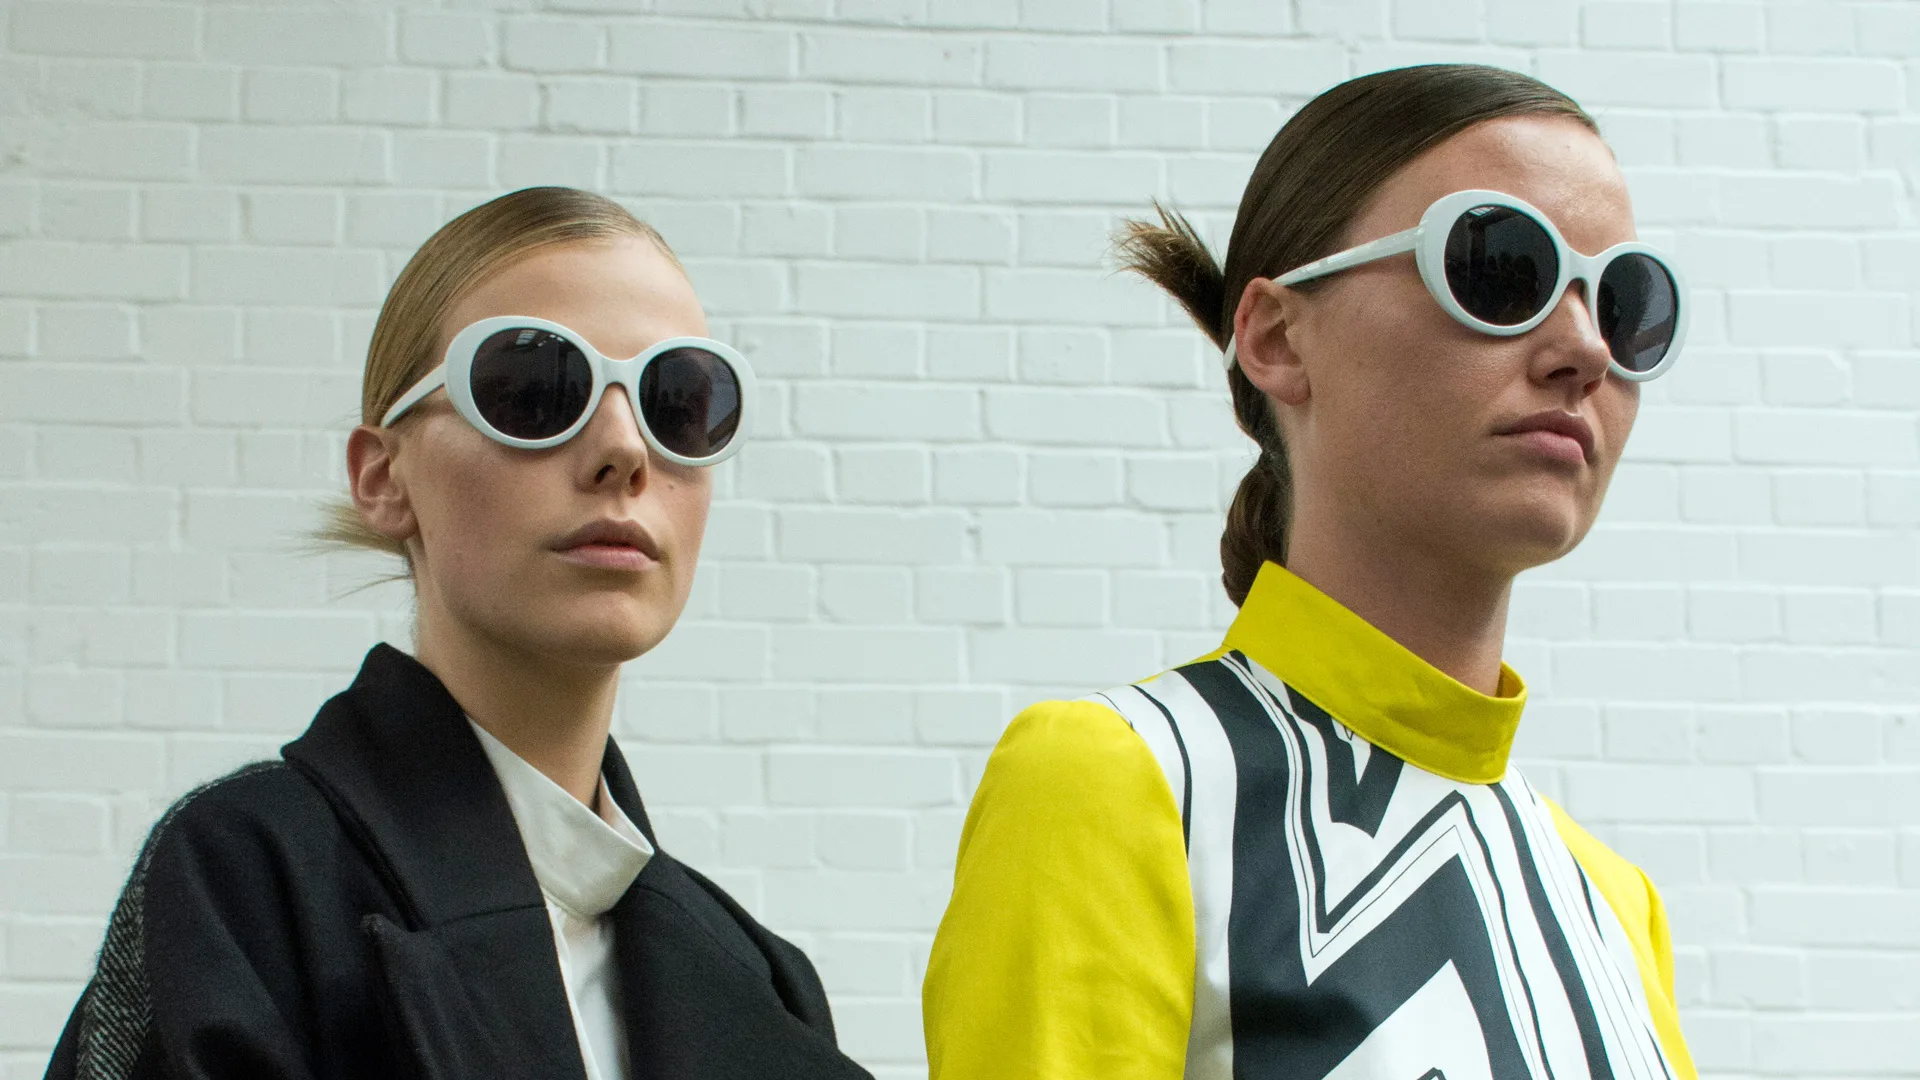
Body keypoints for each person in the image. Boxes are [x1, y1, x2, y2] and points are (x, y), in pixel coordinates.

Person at [922, 64, 1697, 1080]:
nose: (1585, 348)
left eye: (1627, 302)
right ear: (1279, 338)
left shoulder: (1613, 903)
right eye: (1501, 268)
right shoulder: (1127, 783)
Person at [47, 187, 872, 1080]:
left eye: (678, 402)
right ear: (382, 476)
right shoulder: (246, 882)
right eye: (533, 388)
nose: (626, 449)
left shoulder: (760, 983)